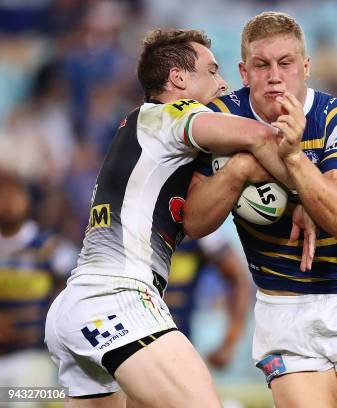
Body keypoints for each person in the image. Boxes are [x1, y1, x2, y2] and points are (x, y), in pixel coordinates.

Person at [45, 28, 306, 407]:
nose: (222, 83)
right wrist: (308, 199)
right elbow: (261, 138)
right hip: (119, 298)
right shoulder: (171, 113)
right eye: (213, 71)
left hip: (78, 304)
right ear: (179, 79)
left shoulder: (139, 128)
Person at [184, 12, 337, 407]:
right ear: (244, 71)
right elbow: (196, 222)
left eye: (286, 63)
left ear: (305, 67)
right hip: (282, 306)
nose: (275, 75)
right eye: (262, 65)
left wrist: (293, 160)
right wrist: (240, 168)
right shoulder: (219, 120)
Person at [0, 172, 77, 404]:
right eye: (2, 195)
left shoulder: (50, 249)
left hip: (35, 359)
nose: (8, 203)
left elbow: (74, 292)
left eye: (14, 195)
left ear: (27, 199)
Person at [165, 229, 251, 369]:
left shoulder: (197, 228)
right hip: (126, 340)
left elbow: (238, 279)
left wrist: (230, 339)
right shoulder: (124, 223)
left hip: (177, 346)